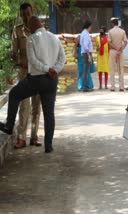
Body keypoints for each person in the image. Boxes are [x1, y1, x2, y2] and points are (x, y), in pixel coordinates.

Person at [0, 16, 66, 153]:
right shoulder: (54, 38)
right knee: (49, 113)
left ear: (31, 27)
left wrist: (46, 69)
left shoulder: (31, 38)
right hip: (51, 80)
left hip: (36, 80)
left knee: (14, 94)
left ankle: (9, 126)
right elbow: (62, 58)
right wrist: (54, 70)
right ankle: (48, 146)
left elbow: (33, 61)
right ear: (41, 24)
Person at [11, 2, 41, 149]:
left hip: (38, 73)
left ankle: (34, 137)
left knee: (36, 104)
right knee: (24, 105)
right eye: (23, 15)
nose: (25, 17)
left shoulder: (40, 31)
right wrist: (18, 61)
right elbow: (13, 53)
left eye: (27, 14)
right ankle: (21, 138)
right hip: (23, 73)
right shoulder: (17, 31)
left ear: (32, 12)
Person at [108, 17, 127, 92]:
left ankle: (112, 87)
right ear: (117, 23)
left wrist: (115, 48)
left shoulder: (110, 31)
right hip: (120, 51)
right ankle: (121, 87)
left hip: (113, 51)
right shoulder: (122, 31)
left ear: (112, 23)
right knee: (120, 69)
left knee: (112, 68)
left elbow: (109, 42)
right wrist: (120, 49)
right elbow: (125, 42)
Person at [80, 20, 94, 92]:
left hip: (85, 53)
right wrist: (89, 55)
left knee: (86, 70)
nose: (91, 28)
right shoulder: (85, 34)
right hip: (86, 53)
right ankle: (85, 87)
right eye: (91, 26)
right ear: (89, 26)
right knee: (86, 71)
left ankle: (85, 86)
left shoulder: (84, 33)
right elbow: (85, 46)